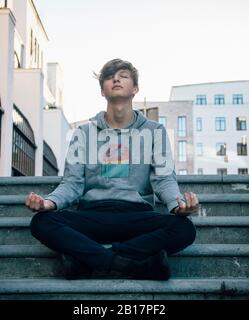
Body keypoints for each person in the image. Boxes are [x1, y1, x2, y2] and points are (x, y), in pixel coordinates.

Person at [26, 59, 198, 280]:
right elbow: (72, 183)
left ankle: (87, 262)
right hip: (93, 215)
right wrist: (49, 202)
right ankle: (135, 266)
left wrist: (177, 205)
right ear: (102, 90)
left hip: (137, 216)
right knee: (42, 222)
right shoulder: (84, 133)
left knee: (184, 228)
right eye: (110, 76)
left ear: (135, 88)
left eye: (123, 75)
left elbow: (164, 180)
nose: (116, 79)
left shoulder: (155, 131)